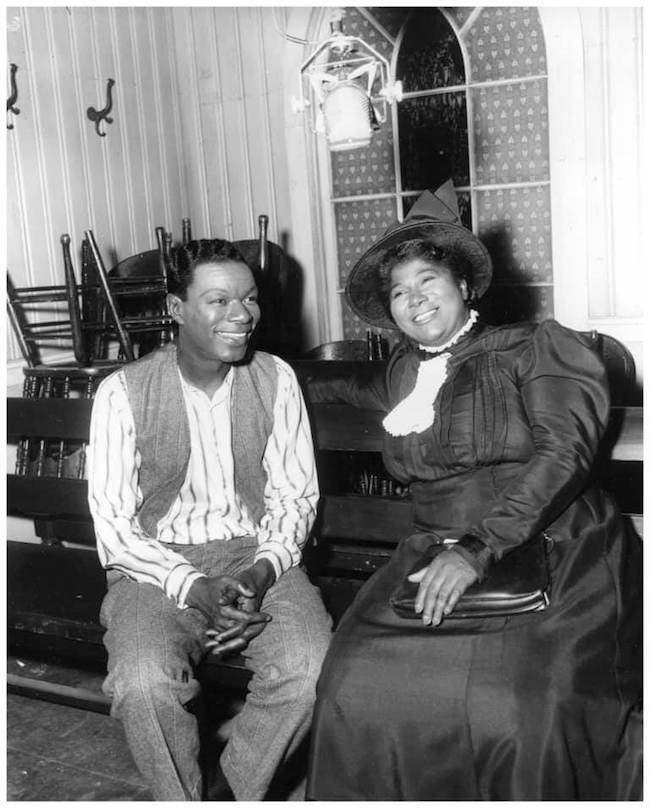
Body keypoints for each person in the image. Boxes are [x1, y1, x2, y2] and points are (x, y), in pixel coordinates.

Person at [306, 181, 642, 800]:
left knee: (520, 709)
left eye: (428, 280)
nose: (414, 300)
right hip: (433, 551)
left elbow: (564, 454)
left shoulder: (536, 346)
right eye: (400, 292)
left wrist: (478, 549)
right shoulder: (402, 375)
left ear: (463, 285)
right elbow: (328, 384)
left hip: (557, 549)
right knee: (349, 686)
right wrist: (241, 364)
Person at [87, 238, 332, 801]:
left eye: (248, 299)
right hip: (156, 566)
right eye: (218, 301)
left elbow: (295, 498)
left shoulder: (276, 378)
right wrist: (193, 586)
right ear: (176, 310)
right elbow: (115, 527)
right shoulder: (123, 392)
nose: (241, 315)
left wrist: (263, 572)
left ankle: (231, 793)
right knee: (143, 684)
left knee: (309, 671)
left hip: (258, 557)